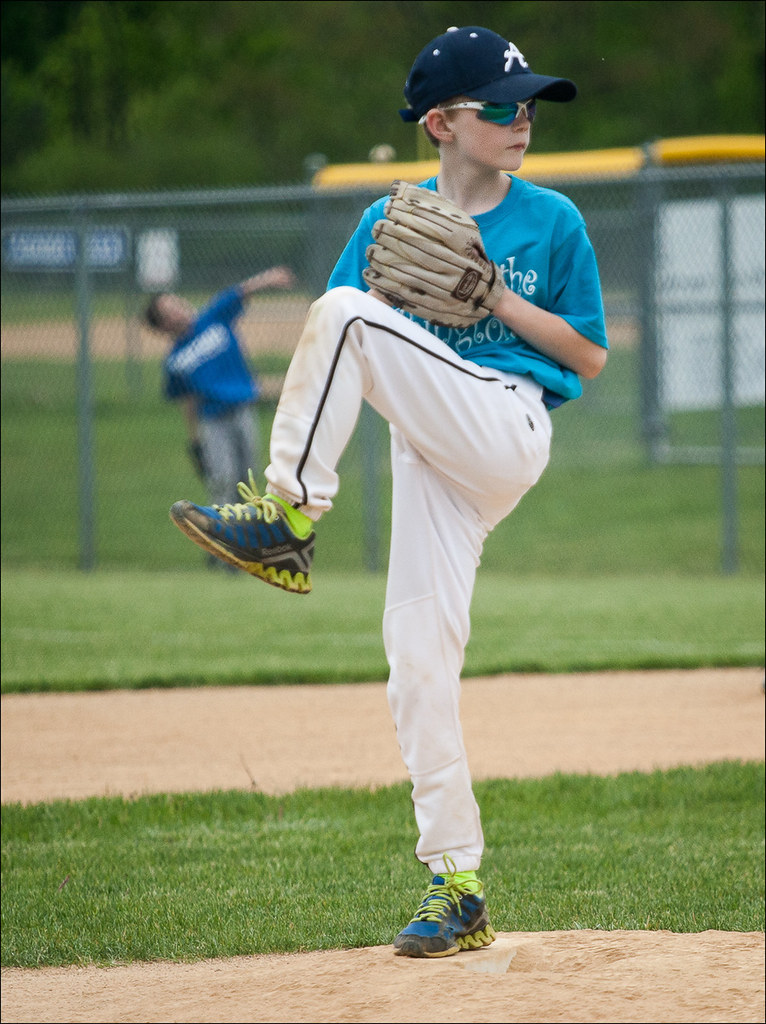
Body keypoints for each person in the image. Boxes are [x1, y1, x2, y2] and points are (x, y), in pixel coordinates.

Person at [168, 25, 608, 956]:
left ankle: (288, 518)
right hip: (427, 450)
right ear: (442, 123)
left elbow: (589, 355)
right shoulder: (387, 222)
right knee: (416, 662)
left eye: (529, 100)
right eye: (500, 103)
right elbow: (342, 348)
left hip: (508, 423)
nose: (522, 116)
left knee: (344, 313)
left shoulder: (553, 221)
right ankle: (459, 884)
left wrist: (493, 296)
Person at [144, 266, 296, 524]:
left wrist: (269, 278)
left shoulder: (212, 317)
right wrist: (195, 441)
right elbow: (188, 402)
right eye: (169, 311)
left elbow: (240, 291)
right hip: (213, 421)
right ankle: (220, 541)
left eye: (176, 303)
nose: (179, 309)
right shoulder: (175, 360)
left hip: (242, 410)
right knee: (222, 479)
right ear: (163, 326)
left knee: (248, 476)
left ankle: (244, 536)